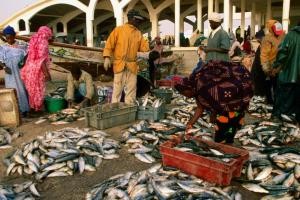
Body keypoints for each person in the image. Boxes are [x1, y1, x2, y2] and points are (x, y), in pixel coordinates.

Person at [176, 61, 253, 144]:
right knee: (225, 125)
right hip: (227, 99)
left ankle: (227, 143)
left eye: (185, 93)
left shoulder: (203, 88)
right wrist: (190, 124)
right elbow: (200, 108)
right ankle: (227, 141)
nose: (186, 96)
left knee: (226, 125)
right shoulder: (195, 87)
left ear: (188, 88)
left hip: (236, 95)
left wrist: (213, 114)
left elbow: (219, 104)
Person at [103, 9, 149, 104]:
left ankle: (129, 109)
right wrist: (106, 57)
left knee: (131, 90)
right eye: (137, 19)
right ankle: (115, 108)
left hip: (132, 65)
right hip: (120, 64)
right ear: (131, 19)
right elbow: (109, 44)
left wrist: (148, 53)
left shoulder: (138, 33)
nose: (138, 21)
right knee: (117, 89)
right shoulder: (119, 30)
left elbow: (145, 49)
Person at [271, 22, 300, 123]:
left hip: (288, 75)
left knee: (283, 99)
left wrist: (275, 67)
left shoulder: (290, 35)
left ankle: (279, 118)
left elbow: (282, 53)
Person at [21, 26, 53, 111]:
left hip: (30, 69)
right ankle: (37, 109)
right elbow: (41, 60)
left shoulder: (34, 39)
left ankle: (33, 109)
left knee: (32, 90)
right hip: (37, 69)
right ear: (47, 33)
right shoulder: (43, 42)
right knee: (38, 90)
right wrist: (46, 73)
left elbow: (29, 54)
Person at [0, 26, 29, 117]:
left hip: (20, 70)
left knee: (22, 89)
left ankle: (25, 110)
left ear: (14, 36)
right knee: (13, 90)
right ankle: (16, 110)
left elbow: (28, 53)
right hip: (10, 73)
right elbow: (0, 60)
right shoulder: (3, 48)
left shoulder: (22, 44)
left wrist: (23, 61)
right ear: (5, 37)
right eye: (7, 38)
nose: (9, 39)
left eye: (11, 37)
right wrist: (4, 67)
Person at [260, 20, 285, 103]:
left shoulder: (283, 36)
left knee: (278, 85)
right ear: (271, 29)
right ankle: (270, 101)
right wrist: (267, 69)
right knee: (269, 83)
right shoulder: (267, 39)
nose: (278, 33)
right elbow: (264, 55)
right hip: (270, 65)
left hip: (280, 64)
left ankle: (278, 101)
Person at [250, 31, 275, 103]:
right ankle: (264, 102)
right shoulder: (261, 45)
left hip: (263, 72)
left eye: (258, 39)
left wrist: (267, 72)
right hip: (258, 71)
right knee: (262, 88)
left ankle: (267, 102)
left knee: (265, 88)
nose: (258, 41)